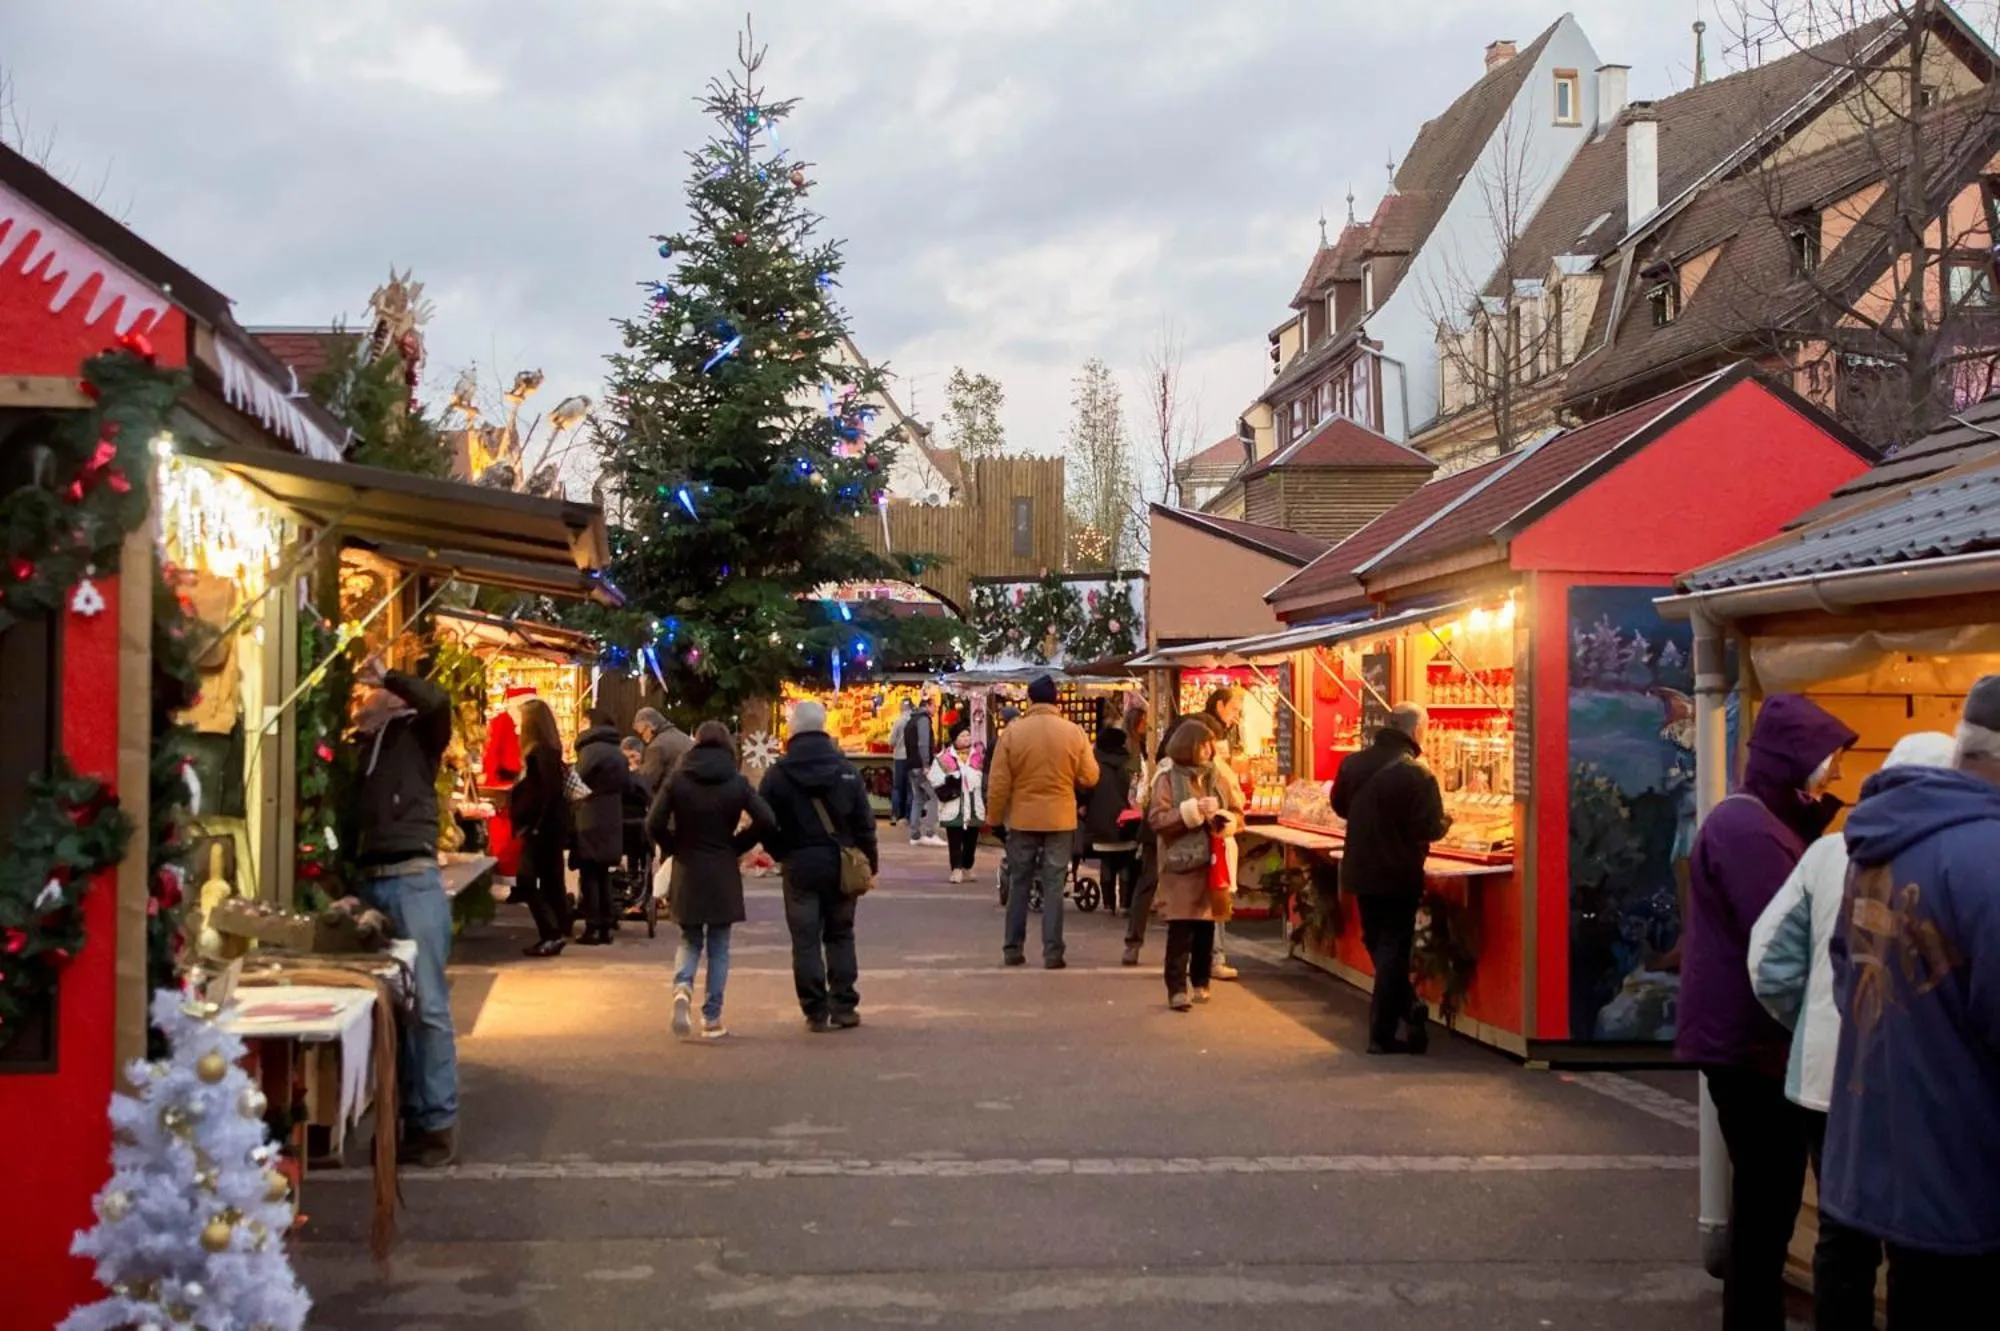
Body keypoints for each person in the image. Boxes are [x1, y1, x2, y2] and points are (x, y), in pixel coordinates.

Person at [1749, 730, 1954, 1331]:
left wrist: (1810, 1024)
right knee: (1918, 1239)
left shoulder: (1827, 854)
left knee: (1842, 1232)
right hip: (1926, 1083)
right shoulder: (1966, 858)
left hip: (1830, 1077)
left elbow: (1767, 961)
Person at [1822, 679, 2000, 1327]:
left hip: (1889, 1149)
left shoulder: (1879, 845)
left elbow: (1848, 979)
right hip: (1968, 1175)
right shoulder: (1988, 855)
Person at [1679, 692, 1855, 1331]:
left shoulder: (1754, 820)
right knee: (1767, 1200)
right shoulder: (1750, 828)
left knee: (1765, 1195)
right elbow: (1781, 937)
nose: (1831, 772)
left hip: (1742, 1038)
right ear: (1792, 760)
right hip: (1749, 1043)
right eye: (1824, 760)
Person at [344, 656, 460, 1167]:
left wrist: (388, 677)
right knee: (392, 1012)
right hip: (372, 879)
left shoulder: (419, 735)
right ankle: (405, 1122)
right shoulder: (360, 752)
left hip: (412, 878)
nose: (364, 711)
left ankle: (435, 1125)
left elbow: (436, 701)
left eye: (375, 704)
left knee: (427, 1006)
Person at [1332, 703, 1450, 1056]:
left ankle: (1407, 1009)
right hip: (1399, 872)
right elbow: (1429, 827)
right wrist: (1448, 823)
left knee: (1377, 941)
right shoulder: (1419, 775)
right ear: (1416, 732)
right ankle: (1382, 1035)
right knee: (1393, 948)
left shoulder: (1353, 763)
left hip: (1361, 866)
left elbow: (1339, 805)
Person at [649, 721, 776, 1040]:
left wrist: (674, 845)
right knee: (719, 945)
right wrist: (739, 845)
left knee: (689, 939)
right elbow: (767, 819)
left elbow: (653, 823)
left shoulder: (678, 779)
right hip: (722, 867)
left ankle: (681, 988)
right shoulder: (736, 782)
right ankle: (712, 1018)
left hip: (687, 866)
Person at [760, 700, 878, 1032]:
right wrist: (871, 863)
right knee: (840, 933)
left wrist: (780, 851)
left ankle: (814, 1009)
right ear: (824, 725)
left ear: (792, 729)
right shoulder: (846, 770)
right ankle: (844, 1005)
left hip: (799, 862)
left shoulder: (778, 774)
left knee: (805, 938)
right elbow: (864, 822)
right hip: (841, 861)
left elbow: (764, 820)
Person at [987, 674, 1099, 969]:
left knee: (1019, 882)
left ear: (1030, 700)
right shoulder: (1074, 733)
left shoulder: (1013, 733)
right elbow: (1090, 776)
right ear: (1057, 701)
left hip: (1023, 818)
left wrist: (994, 819)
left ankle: (1013, 948)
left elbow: (998, 782)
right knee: (1054, 885)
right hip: (1061, 818)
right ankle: (1053, 952)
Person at [1148, 719, 1239, 1011]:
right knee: (1180, 928)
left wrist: (1222, 818)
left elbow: (1237, 811)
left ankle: (1201, 980)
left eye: (1210, 744)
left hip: (1211, 863)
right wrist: (1190, 812)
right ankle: (1176, 989)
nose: (1208, 750)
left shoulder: (1217, 776)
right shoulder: (1167, 778)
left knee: (1205, 928)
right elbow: (1157, 819)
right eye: (1203, 744)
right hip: (1180, 865)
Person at [510, 697, 575, 958]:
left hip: (540, 828)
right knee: (551, 878)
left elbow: (541, 794)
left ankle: (551, 932)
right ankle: (559, 927)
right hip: (550, 827)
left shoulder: (538, 754)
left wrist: (530, 824)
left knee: (526, 879)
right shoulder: (551, 750)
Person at [1198, 688, 1249, 980]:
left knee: (1207, 904)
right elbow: (1236, 804)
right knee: (1214, 903)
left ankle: (1207, 960)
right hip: (1214, 846)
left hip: (1207, 846)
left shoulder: (1183, 771)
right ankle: (1213, 959)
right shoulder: (1216, 770)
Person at [571, 710, 630, 947]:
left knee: (590, 874)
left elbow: (576, 781)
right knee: (603, 873)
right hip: (612, 817)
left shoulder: (590, 751)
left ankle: (593, 926)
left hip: (590, 816)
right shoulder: (617, 753)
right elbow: (626, 785)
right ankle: (606, 925)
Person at [1082, 725, 1140, 916]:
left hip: (1100, 823)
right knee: (1126, 862)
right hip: (1127, 823)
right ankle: (1125, 904)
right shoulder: (1132, 763)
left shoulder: (1092, 764)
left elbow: (1084, 789)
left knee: (1107, 862)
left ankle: (1108, 905)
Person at [1121, 703, 1161, 967]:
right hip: (1156, 829)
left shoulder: (1145, 755)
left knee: (1145, 885)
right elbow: (1137, 784)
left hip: (1150, 826)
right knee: (1147, 884)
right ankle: (1133, 942)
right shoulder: (1137, 752)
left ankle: (1133, 942)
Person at [929, 723, 986, 883]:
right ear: (954, 738)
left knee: (971, 840)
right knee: (954, 839)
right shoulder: (944, 758)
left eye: (968, 735)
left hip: (975, 805)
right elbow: (935, 778)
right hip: (954, 805)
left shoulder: (978, 757)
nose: (966, 739)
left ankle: (967, 866)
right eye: (962, 736)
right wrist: (951, 782)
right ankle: (956, 868)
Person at [904, 697, 944, 846]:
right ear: (927, 706)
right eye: (935, 706)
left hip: (911, 766)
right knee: (934, 797)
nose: (936, 710)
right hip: (921, 766)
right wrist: (926, 764)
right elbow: (923, 743)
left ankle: (914, 835)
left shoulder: (911, 720)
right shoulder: (923, 720)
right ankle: (930, 832)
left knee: (918, 799)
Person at [634, 706, 693, 790]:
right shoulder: (685, 738)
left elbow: (645, 781)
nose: (642, 738)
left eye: (641, 733)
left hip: (673, 797)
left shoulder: (656, 747)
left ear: (649, 727)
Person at [888, 699, 915, 825]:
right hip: (911, 757)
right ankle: (909, 816)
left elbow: (891, 741)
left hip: (899, 757)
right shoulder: (916, 721)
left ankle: (895, 814)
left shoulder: (898, 721)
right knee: (911, 788)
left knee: (898, 787)